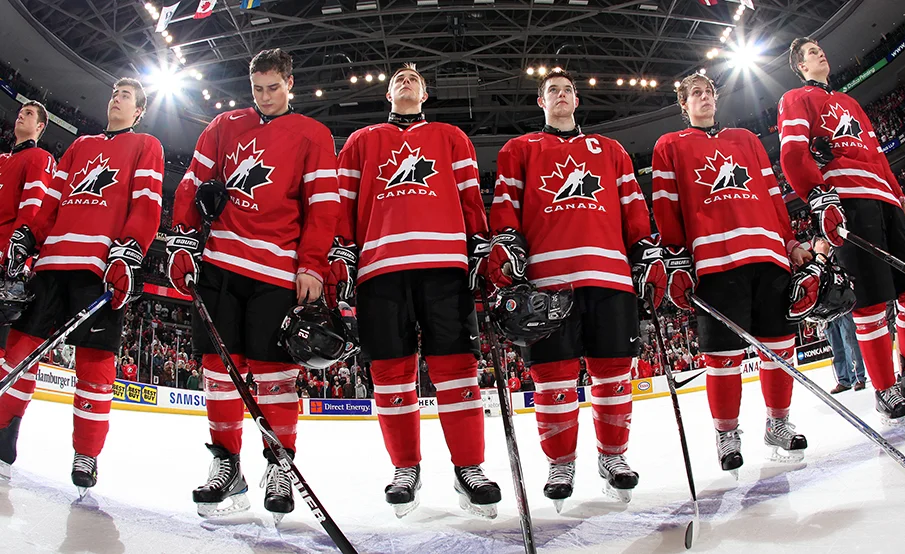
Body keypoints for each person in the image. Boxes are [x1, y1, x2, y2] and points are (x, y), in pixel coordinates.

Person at [169, 48, 339, 521]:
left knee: (274, 375)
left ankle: (278, 464)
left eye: (274, 88)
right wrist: (183, 240)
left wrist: (312, 265)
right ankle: (226, 464)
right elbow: (192, 182)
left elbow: (324, 205)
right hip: (220, 263)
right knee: (219, 371)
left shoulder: (313, 134)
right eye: (257, 89)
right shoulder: (223, 127)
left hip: (278, 271)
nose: (265, 98)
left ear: (290, 83)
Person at [326, 63, 500, 519]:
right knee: (389, 371)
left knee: (458, 369)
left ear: (424, 94)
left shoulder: (450, 137)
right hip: (379, 268)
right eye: (398, 79)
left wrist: (479, 245)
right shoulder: (362, 140)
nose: (406, 83)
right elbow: (343, 202)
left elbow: (469, 197)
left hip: (445, 266)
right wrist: (342, 251)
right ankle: (406, 468)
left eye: (414, 80)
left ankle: (469, 468)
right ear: (387, 93)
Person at [488, 68, 650, 510]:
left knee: (614, 373)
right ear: (541, 103)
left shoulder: (611, 150)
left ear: (577, 100)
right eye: (551, 91)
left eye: (566, 90)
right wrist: (506, 246)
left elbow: (634, 208)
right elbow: (505, 208)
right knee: (553, 378)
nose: (560, 96)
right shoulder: (519, 149)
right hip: (547, 284)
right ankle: (561, 462)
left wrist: (646, 251)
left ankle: (613, 457)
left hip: (610, 276)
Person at [0, 79, 163, 490]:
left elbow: (146, 205)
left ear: (138, 110)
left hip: (99, 268)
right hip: (53, 263)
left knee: (94, 365)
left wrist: (128, 253)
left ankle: (86, 455)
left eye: (126, 96)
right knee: (20, 349)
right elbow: (51, 201)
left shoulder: (147, 146)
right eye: (114, 93)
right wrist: (28, 235)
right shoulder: (80, 146)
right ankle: (4, 433)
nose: (116, 99)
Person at [779, 38, 905, 424]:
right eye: (810, 52)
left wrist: (902, 200)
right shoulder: (796, 98)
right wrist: (818, 196)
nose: (820, 52)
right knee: (870, 301)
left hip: (885, 202)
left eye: (821, 47)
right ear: (800, 66)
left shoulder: (852, 104)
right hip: (848, 203)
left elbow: (877, 156)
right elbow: (791, 154)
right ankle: (884, 389)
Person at [651, 72, 813, 473]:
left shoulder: (747, 139)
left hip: (768, 253)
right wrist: (675, 256)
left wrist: (789, 240)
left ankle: (777, 424)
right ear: (683, 104)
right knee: (722, 355)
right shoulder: (669, 145)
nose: (704, 98)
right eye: (695, 94)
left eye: (709, 92)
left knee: (778, 347)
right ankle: (727, 433)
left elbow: (774, 195)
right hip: (714, 260)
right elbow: (666, 206)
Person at [0, 101, 56, 360]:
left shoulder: (40, 158)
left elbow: (33, 212)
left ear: (41, 126)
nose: (21, 117)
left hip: (5, 259)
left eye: (29, 114)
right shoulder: (3, 160)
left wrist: (14, 255)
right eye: (20, 113)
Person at [814, 238, 867, 392]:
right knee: (835, 346)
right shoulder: (816, 261)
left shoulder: (838, 255)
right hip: (826, 310)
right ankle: (843, 379)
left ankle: (858, 376)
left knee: (849, 340)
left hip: (842, 305)